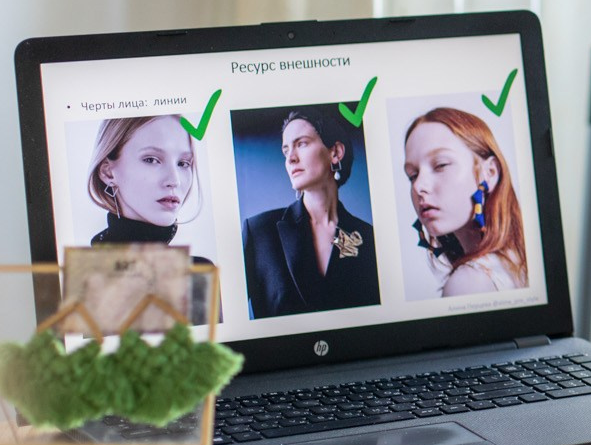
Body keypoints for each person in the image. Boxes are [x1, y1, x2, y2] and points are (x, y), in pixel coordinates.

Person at [241, 108, 380, 319]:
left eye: (301, 143)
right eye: (285, 150)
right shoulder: (258, 232)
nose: (291, 159)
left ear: (335, 152)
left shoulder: (370, 238)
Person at [402, 107, 529, 297]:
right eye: (412, 175)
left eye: (440, 165)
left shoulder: (468, 282)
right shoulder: (519, 262)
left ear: (490, 173)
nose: (418, 186)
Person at [86, 115, 211, 265]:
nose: (174, 181)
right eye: (151, 160)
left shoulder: (198, 272)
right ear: (108, 172)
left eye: (183, 163)